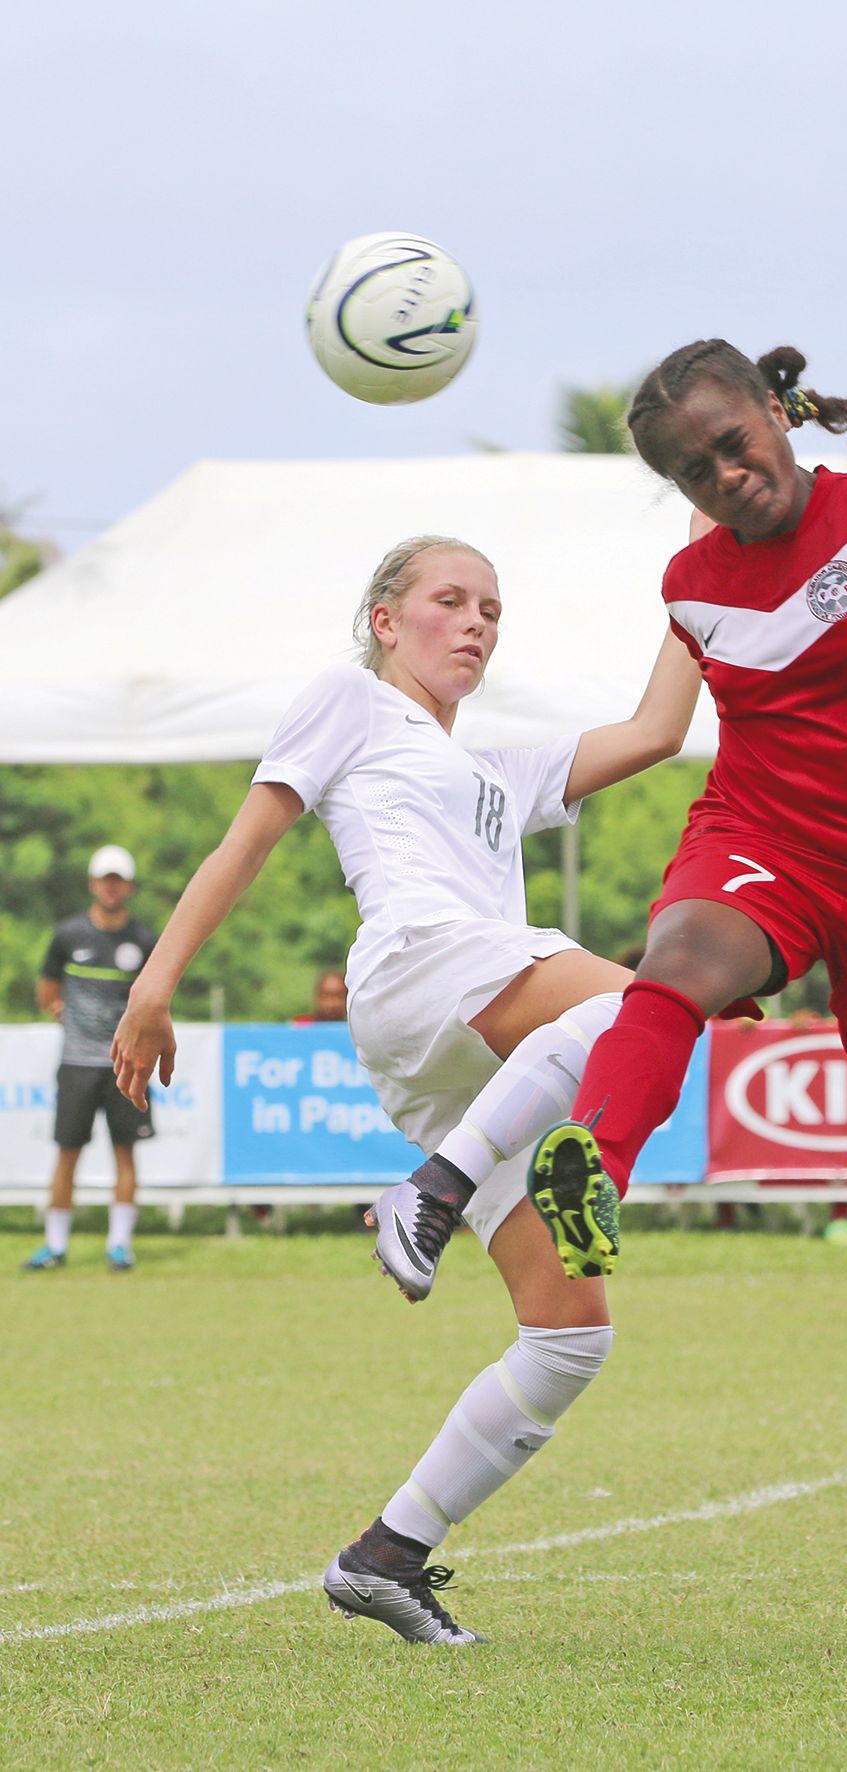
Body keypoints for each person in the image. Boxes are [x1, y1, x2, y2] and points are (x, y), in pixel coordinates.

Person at [110, 532, 704, 1645]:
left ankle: (385, 1553)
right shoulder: (349, 698)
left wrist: (708, 562)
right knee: (649, 1004)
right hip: (421, 968)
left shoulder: (498, 772)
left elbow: (658, 729)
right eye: (450, 599)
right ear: (386, 618)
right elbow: (246, 842)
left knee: (569, 1335)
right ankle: (425, 1190)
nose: (476, 620)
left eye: (491, 606)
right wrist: (155, 982)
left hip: (461, 1054)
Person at [527, 338, 847, 1428]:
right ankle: (592, 1167)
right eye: (694, 472)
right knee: (678, 961)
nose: (724, 475)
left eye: (731, 444)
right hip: (764, 830)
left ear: (775, 417)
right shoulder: (689, 588)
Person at [23, 845, 157, 1273]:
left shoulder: (143, 940)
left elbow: (153, 998)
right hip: (77, 1064)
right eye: (105, 879)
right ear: (93, 884)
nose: (112, 886)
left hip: (126, 1065)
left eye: (119, 879)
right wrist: (67, 1016)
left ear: (129, 886)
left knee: (125, 1154)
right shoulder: (68, 935)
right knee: (67, 1153)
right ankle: (55, 1246)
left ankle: (119, 1246)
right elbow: (47, 989)